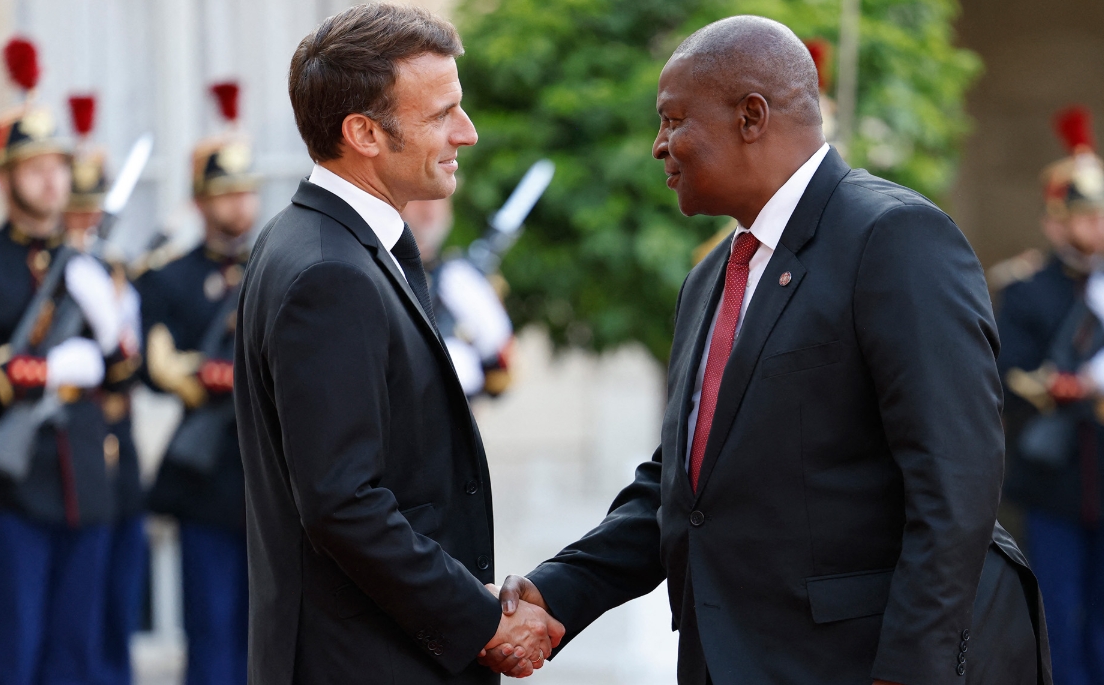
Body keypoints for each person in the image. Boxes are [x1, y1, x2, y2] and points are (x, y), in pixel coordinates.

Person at [485, 16, 1051, 684]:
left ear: (751, 115)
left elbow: (956, 481)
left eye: (672, 121)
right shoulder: (712, 276)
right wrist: (557, 593)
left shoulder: (894, 239)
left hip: (861, 663)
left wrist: (908, 671)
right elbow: (687, 488)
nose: (659, 146)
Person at [234, 5, 563, 684]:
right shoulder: (330, 271)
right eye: (442, 113)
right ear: (363, 133)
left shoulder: (323, 241)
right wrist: (483, 622)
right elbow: (343, 502)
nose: (466, 134)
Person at [0, 37, 140, 685]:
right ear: (3, 178)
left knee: (77, 650)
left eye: (58, 165)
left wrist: (109, 336)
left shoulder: (89, 265)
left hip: (87, 472)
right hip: (13, 476)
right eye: (34, 168)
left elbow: (124, 372)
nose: (53, 178)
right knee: (19, 645)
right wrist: (37, 368)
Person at [997, 105, 1104, 685]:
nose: (1099, 229)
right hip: (1055, 474)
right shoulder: (1028, 292)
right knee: (1056, 612)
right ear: (1056, 222)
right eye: (1085, 218)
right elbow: (1010, 375)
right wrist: (1065, 385)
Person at [135, 81, 257, 685]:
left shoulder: (276, 266)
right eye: (226, 194)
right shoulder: (172, 279)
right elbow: (157, 366)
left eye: (246, 193)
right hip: (207, 475)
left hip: (268, 479)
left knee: (270, 635)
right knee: (211, 632)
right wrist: (210, 375)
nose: (239, 206)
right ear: (201, 200)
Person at [62, 92, 149, 685]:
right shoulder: (54, 275)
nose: (88, 221)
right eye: (78, 209)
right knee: (75, 615)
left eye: (93, 209)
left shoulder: (112, 271)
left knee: (119, 600)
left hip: (118, 441)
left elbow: (130, 367)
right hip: (70, 447)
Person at [402, 198, 515, 398]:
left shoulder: (459, 275)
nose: (430, 208)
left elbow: (499, 381)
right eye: (420, 198)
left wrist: (487, 348)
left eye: (440, 200)